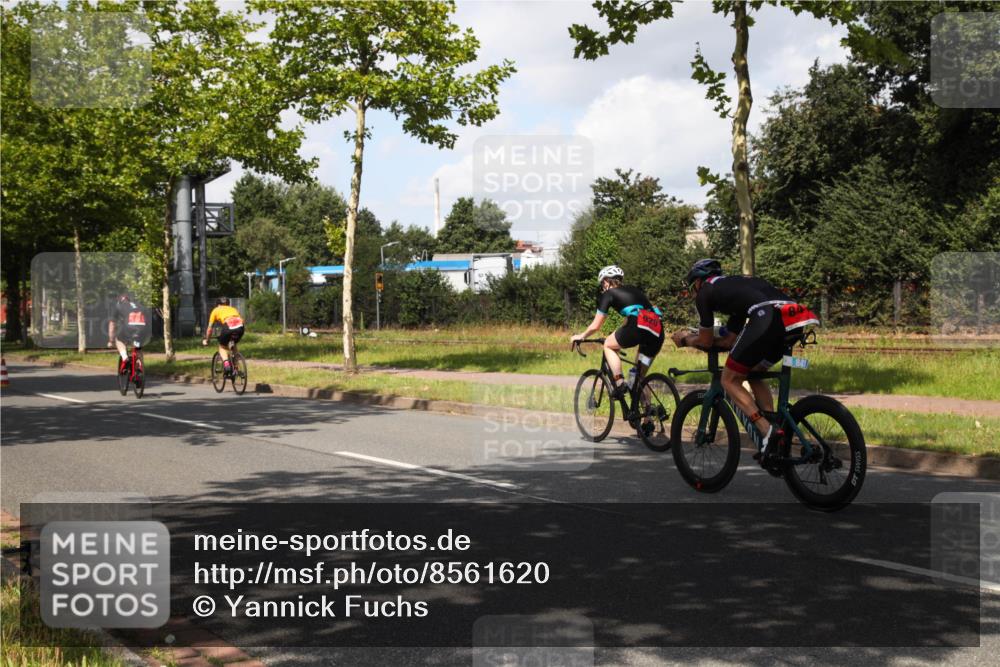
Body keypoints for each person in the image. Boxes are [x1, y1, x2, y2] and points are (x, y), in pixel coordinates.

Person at [671, 259, 818, 462]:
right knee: (753, 372)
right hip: (794, 317)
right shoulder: (735, 291)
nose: (694, 293)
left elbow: (705, 340)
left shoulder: (705, 292)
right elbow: (730, 340)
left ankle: (767, 432)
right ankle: (774, 430)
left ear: (698, 282)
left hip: (767, 316)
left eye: (692, 287)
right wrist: (713, 341)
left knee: (728, 380)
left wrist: (686, 339)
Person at [570, 265, 665, 399]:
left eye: (602, 284)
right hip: (657, 332)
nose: (603, 288)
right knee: (638, 378)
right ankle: (647, 416)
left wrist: (581, 336)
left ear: (606, 281)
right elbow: (633, 318)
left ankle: (620, 383)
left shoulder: (609, 294)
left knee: (608, 345)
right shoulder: (634, 290)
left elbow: (596, 325)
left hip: (637, 326)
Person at [107, 292, 148, 374]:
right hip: (143, 328)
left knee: (118, 339)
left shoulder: (118, 306)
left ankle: (125, 358)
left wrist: (111, 340)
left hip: (129, 328)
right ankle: (139, 366)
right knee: (138, 347)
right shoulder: (140, 306)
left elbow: (112, 323)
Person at [202, 297, 244, 375]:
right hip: (240, 327)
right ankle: (236, 368)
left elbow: (209, 329)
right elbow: (241, 320)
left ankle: (226, 364)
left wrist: (207, 340)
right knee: (234, 344)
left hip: (228, 326)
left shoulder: (215, 310)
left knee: (222, 346)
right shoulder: (233, 309)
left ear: (218, 305)